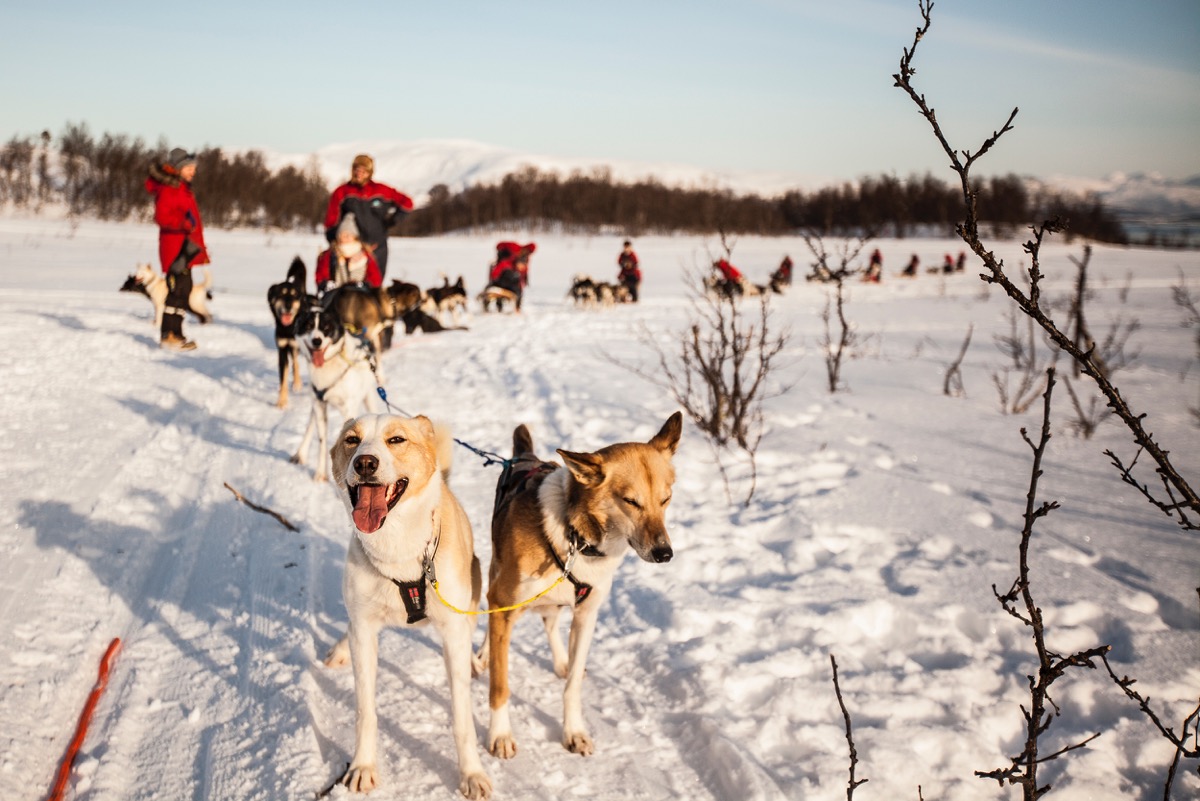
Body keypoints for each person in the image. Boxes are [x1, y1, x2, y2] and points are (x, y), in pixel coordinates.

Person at [145, 147, 209, 351]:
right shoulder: (169, 189)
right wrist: (184, 223)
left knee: (184, 289)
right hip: (175, 249)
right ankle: (169, 335)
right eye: (189, 168)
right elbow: (162, 217)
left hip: (185, 248)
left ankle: (177, 334)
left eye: (194, 168)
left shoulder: (182, 188)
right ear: (178, 168)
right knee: (177, 291)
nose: (193, 171)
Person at [323, 154, 414, 281]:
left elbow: (407, 203)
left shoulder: (382, 191)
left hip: (378, 247)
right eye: (357, 170)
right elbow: (331, 221)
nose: (359, 174)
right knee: (349, 287)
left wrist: (391, 221)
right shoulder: (342, 192)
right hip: (352, 249)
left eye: (363, 171)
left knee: (375, 286)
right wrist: (334, 241)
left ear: (370, 172)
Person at [314, 213, 382, 294]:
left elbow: (375, 278)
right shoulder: (331, 254)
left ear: (355, 236)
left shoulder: (365, 255)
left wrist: (367, 285)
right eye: (343, 234)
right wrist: (325, 284)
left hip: (360, 293)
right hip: (335, 292)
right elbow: (321, 274)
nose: (346, 237)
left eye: (349, 234)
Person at [488, 242, 536, 311]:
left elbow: (524, 274)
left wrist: (525, 280)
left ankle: (517, 308)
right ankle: (498, 306)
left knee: (518, 289)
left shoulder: (523, 261)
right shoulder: (508, 261)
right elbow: (497, 270)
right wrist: (494, 278)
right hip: (501, 282)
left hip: (512, 286)